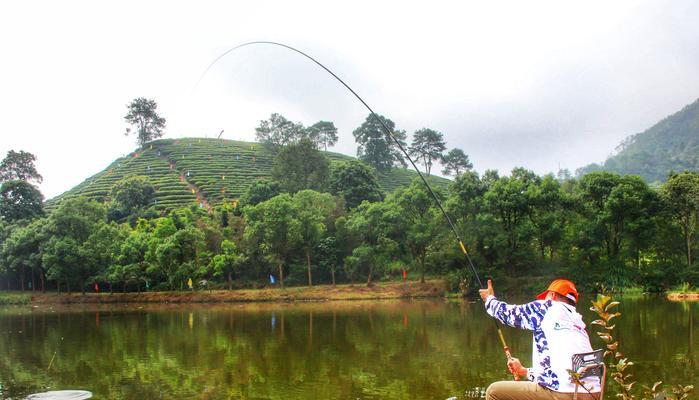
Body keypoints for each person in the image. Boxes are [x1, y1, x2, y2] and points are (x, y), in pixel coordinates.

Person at [479, 279, 601, 400]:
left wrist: (490, 299)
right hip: (593, 393)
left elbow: (510, 314)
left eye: (545, 297)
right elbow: (560, 370)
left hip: (563, 393)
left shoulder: (547, 307)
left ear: (552, 295)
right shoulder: (578, 323)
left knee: (493, 392)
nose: (542, 300)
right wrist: (524, 371)